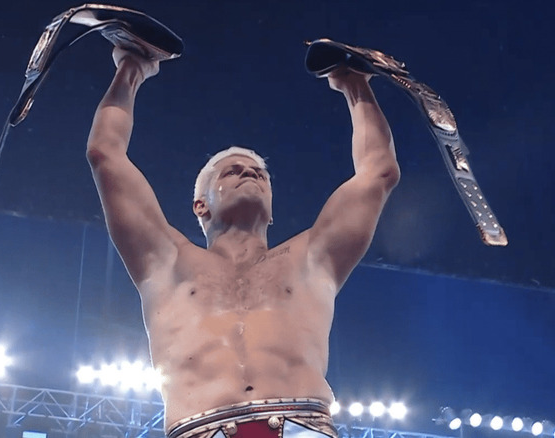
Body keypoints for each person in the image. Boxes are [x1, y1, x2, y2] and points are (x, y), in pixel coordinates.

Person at [85, 45, 400, 438]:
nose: (248, 173)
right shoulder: (165, 260)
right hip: (201, 427)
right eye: (231, 172)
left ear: (271, 209)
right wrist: (133, 65)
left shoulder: (311, 256)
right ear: (201, 205)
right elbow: (105, 155)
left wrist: (354, 84)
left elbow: (378, 174)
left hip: (303, 424)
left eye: (259, 174)